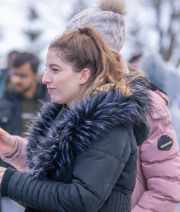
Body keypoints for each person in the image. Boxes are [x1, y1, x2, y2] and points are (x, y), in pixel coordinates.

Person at [0, 26, 152, 212]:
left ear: (83, 75)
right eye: (46, 69)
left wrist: (13, 183)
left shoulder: (109, 126)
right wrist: (15, 150)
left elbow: (81, 200)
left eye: (55, 69)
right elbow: (49, 191)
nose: (45, 78)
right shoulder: (64, 115)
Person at [66, 1, 180, 211]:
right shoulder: (72, 99)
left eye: (76, 47)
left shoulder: (145, 103)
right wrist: (16, 149)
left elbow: (165, 189)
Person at [0, 52, 49, 212]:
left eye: (23, 75)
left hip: (43, 185)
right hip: (8, 184)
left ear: (36, 75)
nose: (16, 80)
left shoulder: (51, 101)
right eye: (13, 74)